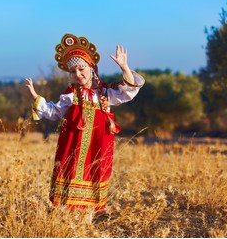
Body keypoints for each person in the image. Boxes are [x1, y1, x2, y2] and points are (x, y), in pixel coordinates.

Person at [25, 33, 144, 212]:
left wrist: (124, 67)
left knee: (94, 175)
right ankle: (67, 221)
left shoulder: (105, 93)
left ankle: (86, 222)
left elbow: (128, 92)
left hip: (98, 145)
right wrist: (35, 96)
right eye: (73, 71)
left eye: (81, 69)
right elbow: (54, 112)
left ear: (92, 68)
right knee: (70, 178)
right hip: (73, 146)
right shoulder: (70, 95)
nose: (77, 74)